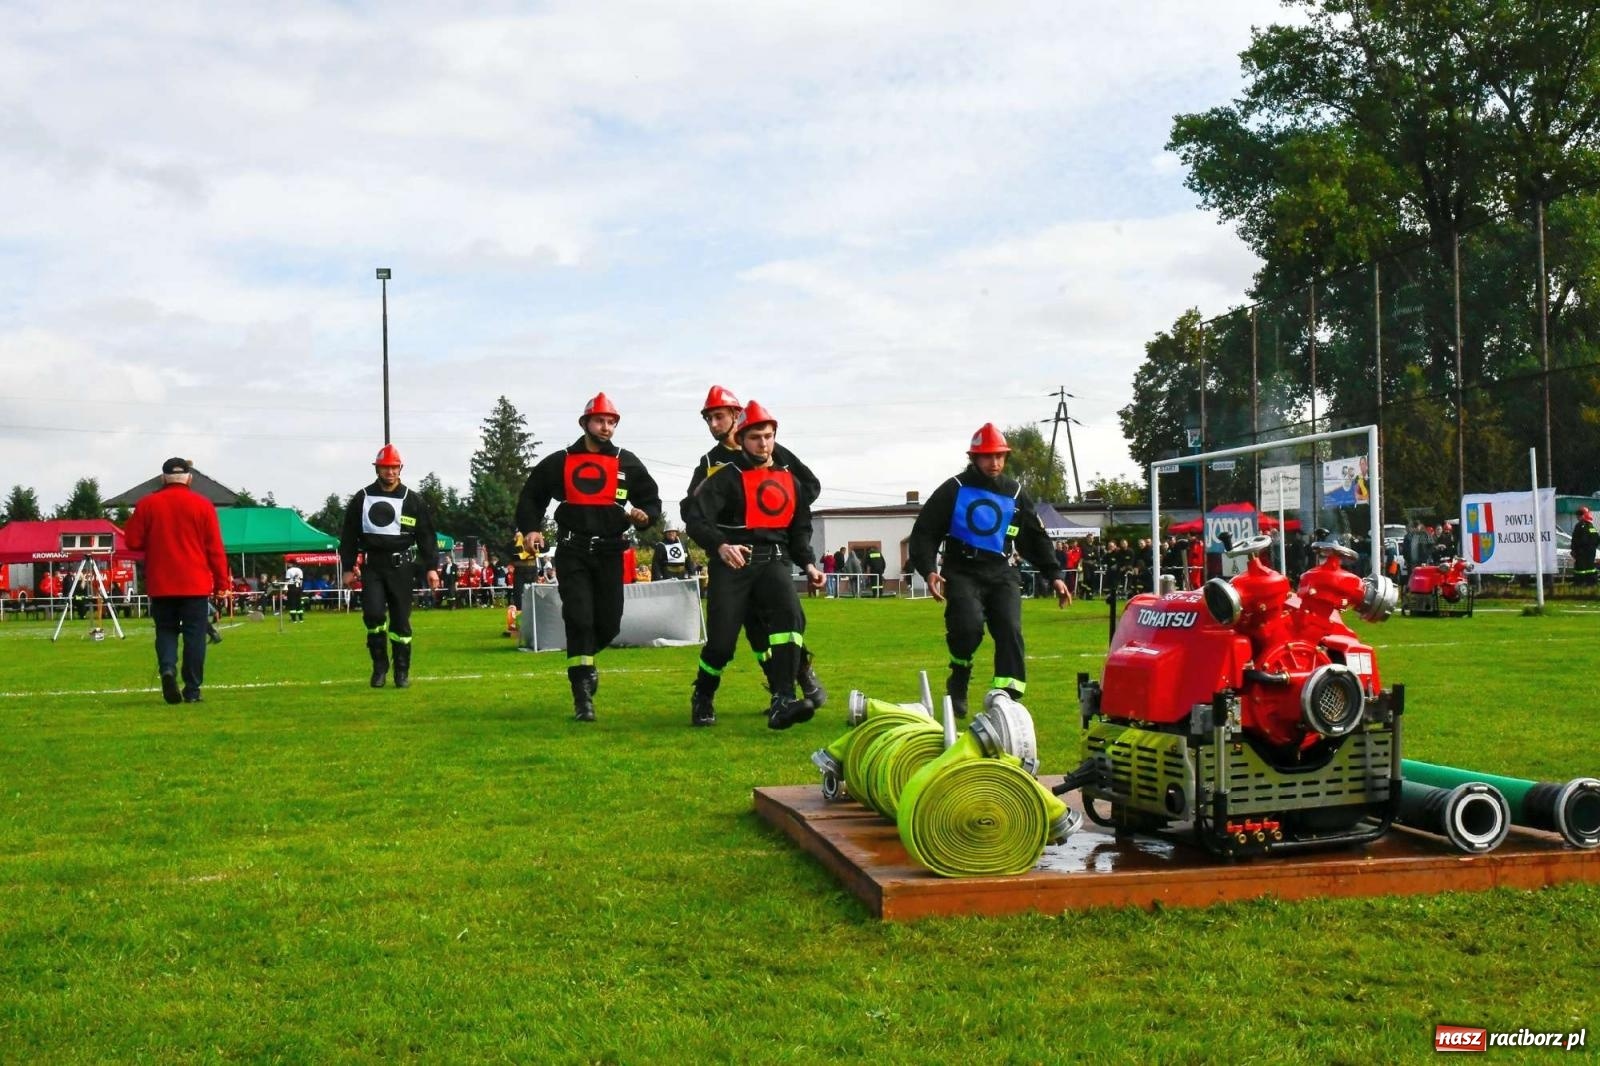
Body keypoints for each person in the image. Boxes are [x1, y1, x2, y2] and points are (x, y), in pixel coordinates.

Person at [516, 392, 661, 722]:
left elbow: (652, 501)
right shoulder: (561, 460)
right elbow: (532, 495)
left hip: (611, 553)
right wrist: (531, 528)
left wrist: (645, 517)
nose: (606, 427)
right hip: (573, 552)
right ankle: (582, 692)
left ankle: (584, 658)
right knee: (579, 618)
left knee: (609, 624)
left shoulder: (628, 462)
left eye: (611, 422)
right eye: (600, 421)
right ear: (585, 423)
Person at [907, 424, 1069, 718]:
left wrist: (1054, 575)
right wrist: (929, 569)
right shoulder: (954, 489)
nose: (994, 463)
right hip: (961, 571)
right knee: (967, 628)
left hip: (1002, 572)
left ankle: (1006, 699)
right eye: (987, 457)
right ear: (974, 458)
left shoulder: (1015, 492)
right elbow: (925, 532)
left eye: (999, 457)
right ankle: (959, 678)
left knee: (1009, 629)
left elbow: (1033, 536)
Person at [683, 400, 826, 729]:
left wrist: (809, 564)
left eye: (768, 436)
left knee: (790, 623)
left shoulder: (790, 479)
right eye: (755, 437)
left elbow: (800, 527)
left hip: (774, 561)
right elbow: (696, 518)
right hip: (732, 567)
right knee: (721, 644)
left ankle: (783, 700)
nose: (763, 443)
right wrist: (720, 545)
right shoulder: (724, 476)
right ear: (742, 438)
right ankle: (703, 695)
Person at [123, 456, 231, 704]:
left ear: (163, 478)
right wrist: (223, 584)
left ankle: (168, 669)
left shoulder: (147, 504)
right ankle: (192, 690)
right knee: (195, 636)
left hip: (162, 583)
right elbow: (215, 548)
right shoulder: (203, 505)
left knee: (166, 631)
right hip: (195, 583)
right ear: (190, 479)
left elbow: (132, 541)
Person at [339, 444, 441, 690]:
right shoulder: (362, 498)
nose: (390, 472)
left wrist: (431, 567)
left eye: (394, 467)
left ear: (400, 468)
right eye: (386, 468)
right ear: (378, 469)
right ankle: (379, 667)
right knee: (373, 616)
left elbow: (426, 535)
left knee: (400, 623)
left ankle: (402, 671)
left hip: (402, 569)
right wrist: (348, 566)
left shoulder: (413, 500)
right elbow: (349, 534)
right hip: (373, 567)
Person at [1572, 507, 1598, 587]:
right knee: (1590, 567)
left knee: (1580, 568)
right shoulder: (1591, 526)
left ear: (1583, 515)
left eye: (1579, 515)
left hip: (1582, 552)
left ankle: (1579, 583)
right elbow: (1597, 539)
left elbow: (1576, 540)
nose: (1577, 517)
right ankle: (1592, 582)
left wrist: (1574, 550)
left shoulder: (1580, 526)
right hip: (1591, 552)